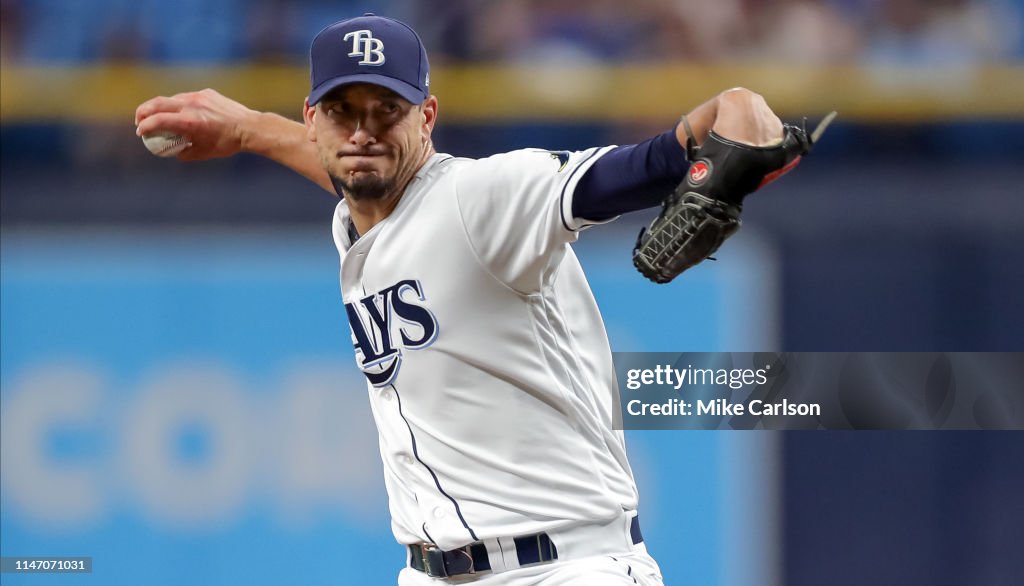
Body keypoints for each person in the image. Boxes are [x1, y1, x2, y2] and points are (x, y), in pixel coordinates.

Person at [135, 14, 792, 586]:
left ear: (427, 117)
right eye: (342, 110)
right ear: (313, 119)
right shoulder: (367, 214)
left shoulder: (483, 198)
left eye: (386, 110)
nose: (364, 131)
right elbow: (355, 173)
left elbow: (644, 165)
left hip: (568, 569)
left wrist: (731, 109)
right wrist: (250, 128)